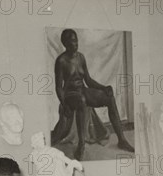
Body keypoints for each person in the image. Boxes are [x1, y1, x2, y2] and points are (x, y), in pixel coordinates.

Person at [51, 28, 134, 160]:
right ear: (65, 44)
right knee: (81, 101)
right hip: (70, 94)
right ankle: (81, 145)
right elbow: (58, 87)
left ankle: (122, 140)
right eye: (72, 41)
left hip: (82, 90)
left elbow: (88, 80)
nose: (75, 43)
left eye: (76, 40)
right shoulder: (61, 61)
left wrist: (104, 87)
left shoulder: (81, 57)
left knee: (109, 97)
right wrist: (64, 103)